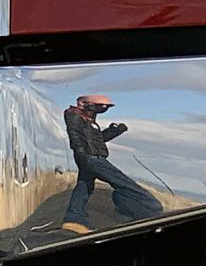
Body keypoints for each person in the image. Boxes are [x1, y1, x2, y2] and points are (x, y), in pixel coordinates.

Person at [61, 93, 157, 232]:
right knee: (124, 183)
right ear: (83, 103)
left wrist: (115, 131)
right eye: (100, 105)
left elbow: (98, 140)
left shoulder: (90, 121)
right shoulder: (74, 115)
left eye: (106, 106)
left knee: (85, 187)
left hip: (93, 157)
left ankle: (74, 218)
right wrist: (82, 153)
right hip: (92, 158)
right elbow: (74, 135)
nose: (104, 108)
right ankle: (150, 210)